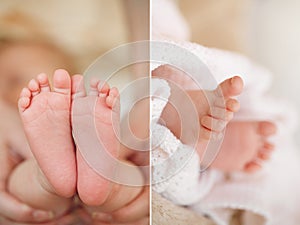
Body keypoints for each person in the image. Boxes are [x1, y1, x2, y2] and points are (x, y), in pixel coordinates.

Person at [0, 39, 149, 225]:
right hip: (31, 166)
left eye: (16, 80)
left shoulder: (103, 117)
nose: (4, 93)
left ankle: (89, 176)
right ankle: (53, 176)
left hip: (106, 150)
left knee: (122, 167)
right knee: (22, 178)